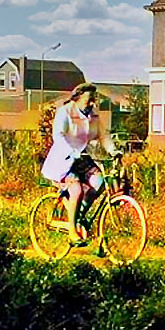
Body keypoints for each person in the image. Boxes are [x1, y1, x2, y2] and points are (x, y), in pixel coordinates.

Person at [41, 83, 120, 243]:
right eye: (89, 100)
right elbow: (59, 136)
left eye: (94, 100)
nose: (92, 104)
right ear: (77, 99)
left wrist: (113, 151)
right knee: (76, 189)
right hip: (62, 160)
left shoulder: (94, 115)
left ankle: (79, 214)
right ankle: (72, 230)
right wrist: (71, 151)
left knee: (100, 182)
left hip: (81, 157)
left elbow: (103, 135)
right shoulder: (65, 112)